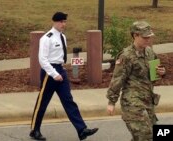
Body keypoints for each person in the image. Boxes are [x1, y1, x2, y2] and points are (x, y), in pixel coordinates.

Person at [29, 11, 98, 141]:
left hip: (60, 70)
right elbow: (42, 60)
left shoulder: (63, 37)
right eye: (61, 21)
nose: (63, 24)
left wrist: (60, 72)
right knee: (42, 103)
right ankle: (35, 130)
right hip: (49, 73)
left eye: (65, 21)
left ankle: (82, 130)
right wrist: (54, 74)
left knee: (68, 100)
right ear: (54, 22)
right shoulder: (46, 38)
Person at [106, 21, 166, 141]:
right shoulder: (126, 56)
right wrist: (111, 102)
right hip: (132, 103)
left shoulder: (149, 52)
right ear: (135, 35)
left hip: (148, 102)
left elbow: (154, 75)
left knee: (156, 135)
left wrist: (161, 73)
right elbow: (118, 79)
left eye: (149, 37)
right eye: (145, 37)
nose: (148, 40)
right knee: (145, 136)